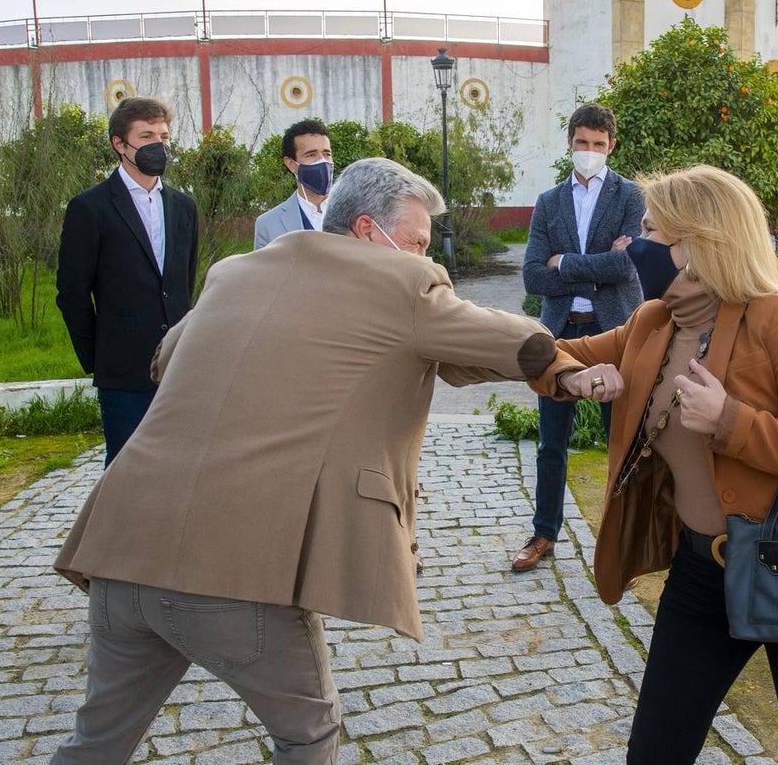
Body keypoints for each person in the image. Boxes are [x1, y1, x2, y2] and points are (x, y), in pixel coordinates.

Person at [49, 158, 605, 764]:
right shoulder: (405, 285)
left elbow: (164, 360)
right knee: (308, 737)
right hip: (236, 568)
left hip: (123, 548)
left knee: (97, 743)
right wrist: (570, 373)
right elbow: (507, 338)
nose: (425, 255)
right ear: (368, 230)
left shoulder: (235, 273)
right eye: (417, 242)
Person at [530, 165, 778, 764]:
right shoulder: (651, 323)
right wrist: (572, 373)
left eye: (649, 231)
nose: (631, 246)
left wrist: (732, 423)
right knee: (655, 753)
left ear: (701, 241)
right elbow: (544, 349)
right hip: (700, 574)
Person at [514, 102, 644, 572]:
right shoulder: (549, 203)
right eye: (582, 143)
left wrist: (564, 263)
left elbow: (628, 265)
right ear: (570, 142)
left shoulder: (632, 197)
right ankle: (544, 534)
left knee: (620, 442)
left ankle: (621, 540)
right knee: (551, 444)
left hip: (616, 333)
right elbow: (532, 276)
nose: (590, 151)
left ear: (611, 147)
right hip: (562, 337)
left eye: (599, 144)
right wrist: (596, 269)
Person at [56, 96, 199, 467]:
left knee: (177, 465)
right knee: (125, 468)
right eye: (147, 135)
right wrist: (98, 358)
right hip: (122, 369)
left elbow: (183, 282)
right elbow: (72, 292)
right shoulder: (90, 208)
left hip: (177, 364)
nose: (160, 145)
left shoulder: (184, 207)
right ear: (120, 144)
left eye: (165, 136)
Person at [254, 118, 333, 248]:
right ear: (291, 164)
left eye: (327, 154)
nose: (322, 161)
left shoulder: (358, 214)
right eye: (311, 155)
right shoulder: (268, 224)